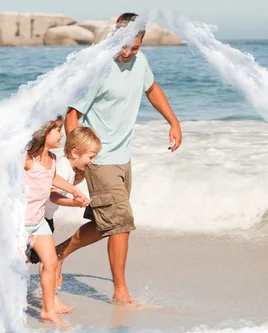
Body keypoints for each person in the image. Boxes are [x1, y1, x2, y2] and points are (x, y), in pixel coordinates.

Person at [57, 12, 183, 306]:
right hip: (99, 160)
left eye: (134, 48)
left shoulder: (140, 63)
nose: (127, 53)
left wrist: (173, 122)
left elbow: (151, 89)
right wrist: (77, 160)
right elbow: (72, 115)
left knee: (106, 225)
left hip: (124, 157)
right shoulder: (98, 69)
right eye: (123, 46)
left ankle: (56, 253)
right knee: (122, 222)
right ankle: (121, 292)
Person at [23, 116, 89, 326]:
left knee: (51, 262)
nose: (62, 134)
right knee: (9, 265)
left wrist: (74, 190)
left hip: (39, 221)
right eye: (58, 130)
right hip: (19, 224)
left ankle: (47, 310)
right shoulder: (27, 160)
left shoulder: (51, 159)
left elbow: (53, 179)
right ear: (44, 132)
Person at [27, 127, 102, 291]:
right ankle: (48, 294)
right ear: (75, 153)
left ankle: (47, 293)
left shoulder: (67, 168)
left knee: (37, 257)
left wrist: (74, 184)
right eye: (90, 157)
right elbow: (52, 195)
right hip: (38, 219)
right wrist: (73, 202)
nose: (92, 161)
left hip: (44, 218)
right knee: (43, 258)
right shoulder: (62, 167)